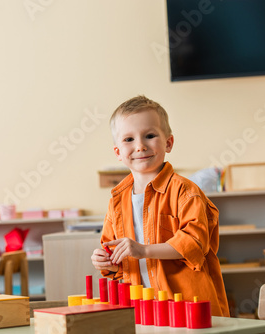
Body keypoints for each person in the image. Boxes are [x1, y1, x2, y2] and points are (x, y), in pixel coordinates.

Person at [91, 95, 229, 317]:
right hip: (143, 311)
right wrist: (106, 261)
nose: (140, 146)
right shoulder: (117, 200)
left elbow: (194, 243)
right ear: (118, 152)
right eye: (128, 139)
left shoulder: (185, 192)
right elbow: (118, 261)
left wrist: (143, 250)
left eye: (150, 135)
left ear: (168, 143)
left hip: (188, 309)